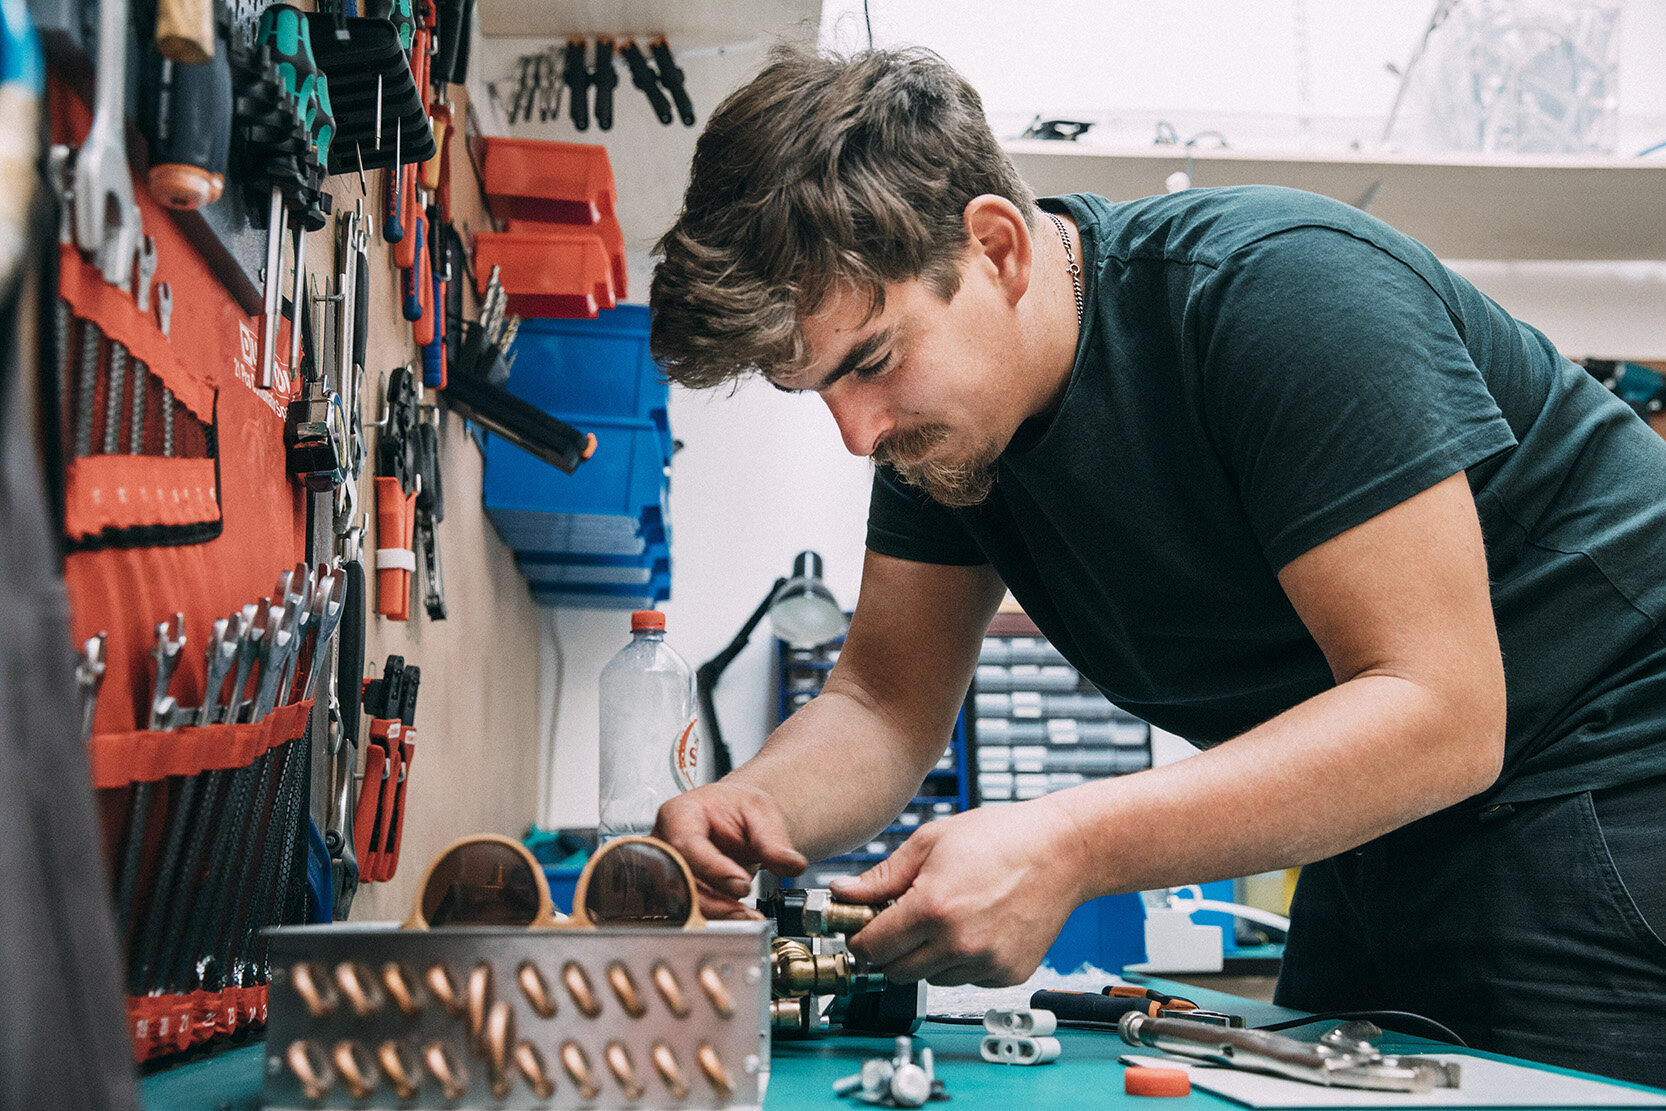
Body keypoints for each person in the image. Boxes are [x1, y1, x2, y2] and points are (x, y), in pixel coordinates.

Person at [647, 43, 1666, 1087]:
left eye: (870, 360)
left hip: (1607, 771)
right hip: (1389, 818)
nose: (856, 434)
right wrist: (759, 804)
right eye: (815, 390)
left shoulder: (1283, 296)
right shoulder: (947, 432)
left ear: (996, 248)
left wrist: (1066, 844)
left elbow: (1441, 710)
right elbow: (882, 700)